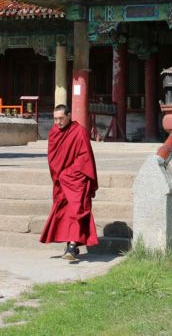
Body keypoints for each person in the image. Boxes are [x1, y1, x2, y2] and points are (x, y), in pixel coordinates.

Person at [40, 104, 99, 260]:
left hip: (76, 179)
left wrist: (69, 173)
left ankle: (72, 246)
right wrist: (61, 175)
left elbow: (84, 158)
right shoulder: (54, 132)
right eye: (55, 119)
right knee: (64, 212)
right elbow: (52, 158)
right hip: (61, 180)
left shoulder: (79, 132)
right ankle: (70, 245)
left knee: (76, 210)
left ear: (69, 116)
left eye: (61, 118)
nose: (58, 122)